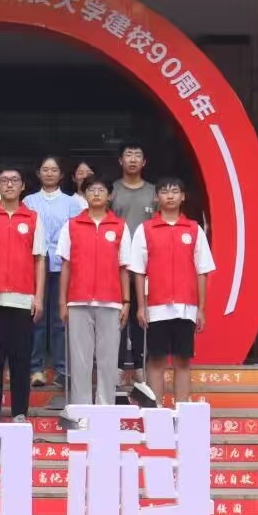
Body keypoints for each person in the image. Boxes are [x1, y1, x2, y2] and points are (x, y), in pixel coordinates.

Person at [127, 177, 215, 408]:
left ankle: (182, 410)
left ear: (182, 197)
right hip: (156, 307)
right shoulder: (146, 229)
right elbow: (138, 271)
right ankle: (156, 410)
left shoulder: (194, 229)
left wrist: (201, 309)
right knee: (156, 360)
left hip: (186, 307)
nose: (169, 196)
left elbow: (202, 271)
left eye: (174, 191)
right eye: (164, 192)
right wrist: (141, 306)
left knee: (182, 361)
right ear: (157, 197)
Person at [57, 174, 130, 425]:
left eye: (101, 190)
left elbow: (124, 267)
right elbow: (66, 266)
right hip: (78, 300)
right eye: (91, 190)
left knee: (108, 361)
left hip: (111, 301)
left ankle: (105, 415)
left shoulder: (119, 226)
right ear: (84, 195)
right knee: (80, 361)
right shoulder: (72, 225)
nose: (96, 194)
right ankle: (82, 414)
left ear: (109, 195)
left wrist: (126, 301)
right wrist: (62, 302)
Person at [0, 166, 44, 422]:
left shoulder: (33, 218)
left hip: (23, 300)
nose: (9, 184)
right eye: (4, 180)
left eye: (15, 180)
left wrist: (38, 297)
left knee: (20, 359)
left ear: (23, 186)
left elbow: (39, 259)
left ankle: (19, 412)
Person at [24, 156, 84, 391]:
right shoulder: (28, 201)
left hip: (62, 266)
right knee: (36, 318)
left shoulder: (72, 203)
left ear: (61, 175)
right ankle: (36, 368)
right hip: (35, 265)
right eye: (45, 169)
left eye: (54, 170)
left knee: (60, 320)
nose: (49, 173)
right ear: (38, 173)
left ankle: (61, 369)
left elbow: (76, 235)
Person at [109, 144, 157, 402]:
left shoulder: (154, 193)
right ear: (120, 160)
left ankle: (140, 367)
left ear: (144, 161)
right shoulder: (112, 191)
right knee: (117, 318)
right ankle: (116, 368)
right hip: (116, 264)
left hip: (146, 266)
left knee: (141, 316)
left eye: (138, 155)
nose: (133, 159)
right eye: (128, 155)